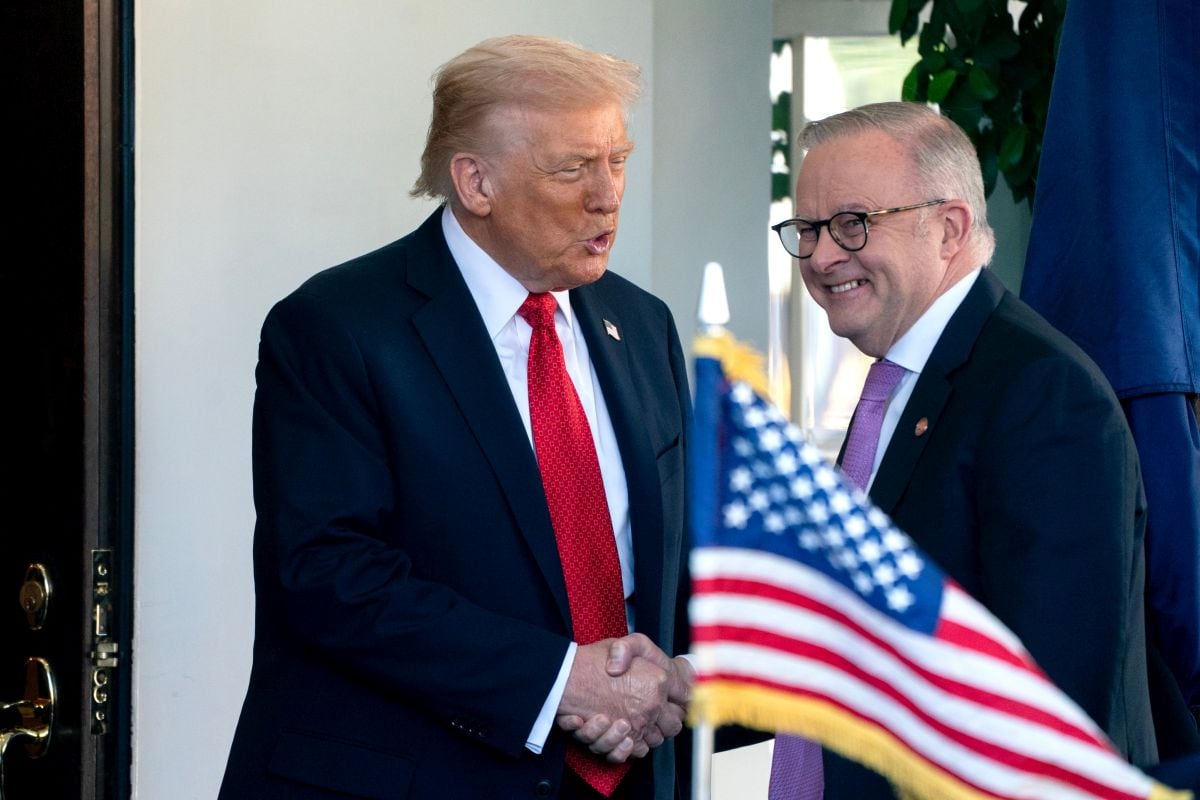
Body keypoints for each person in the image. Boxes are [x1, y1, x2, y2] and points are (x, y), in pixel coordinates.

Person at [218, 35, 694, 800]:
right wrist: (559, 684)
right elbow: (331, 574)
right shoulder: (337, 328)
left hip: (627, 778)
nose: (609, 194)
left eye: (619, 158)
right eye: (573, 167)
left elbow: (670, 563)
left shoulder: (641, 325)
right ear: (476, 182)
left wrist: (672, 680)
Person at [769, 101, 1156, 798]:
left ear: (948, 229)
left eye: (853, 224)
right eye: (808, 229)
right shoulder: (902, 382)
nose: (823, 256)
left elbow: (1050, 708)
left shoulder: (1042, 394)